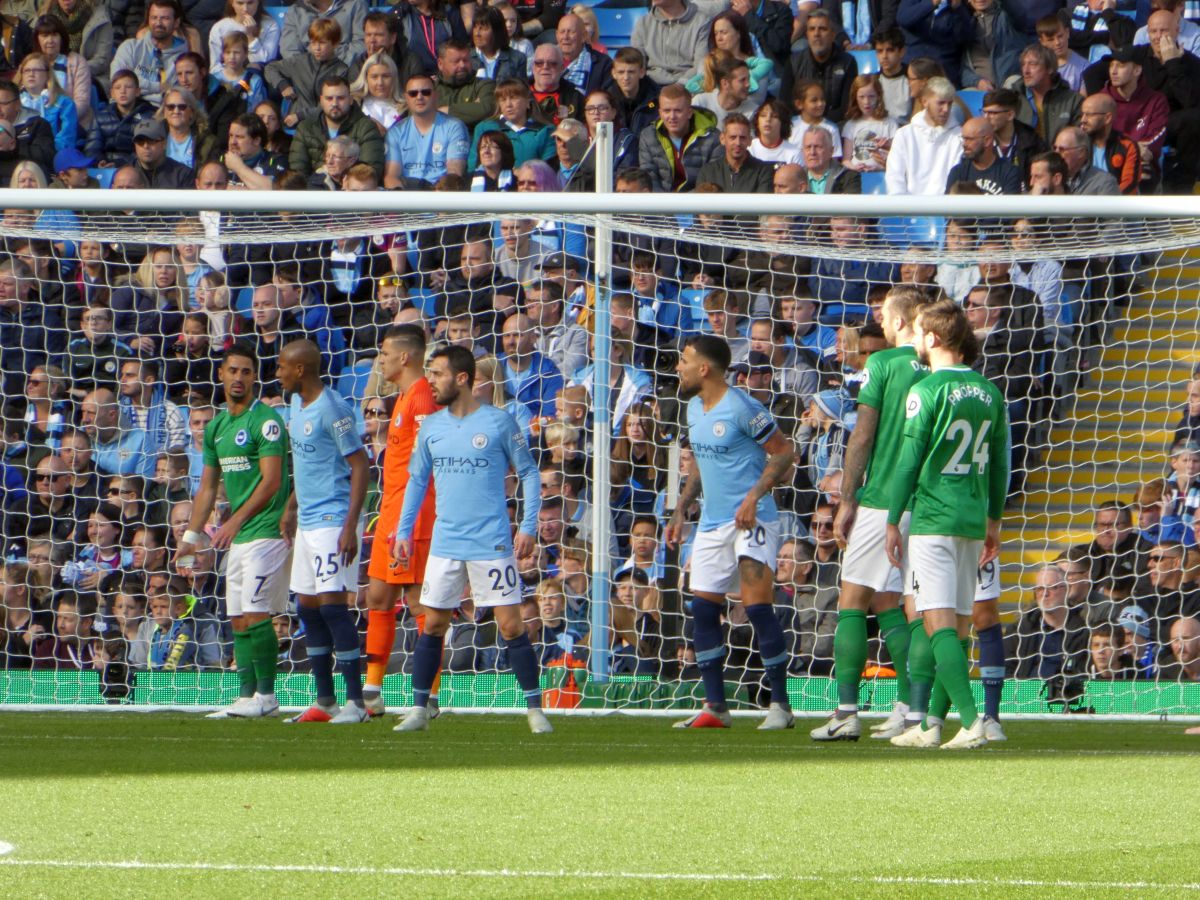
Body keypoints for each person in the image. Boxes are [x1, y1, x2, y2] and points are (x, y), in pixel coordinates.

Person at [391, 345, 551, 735]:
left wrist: (527, 526)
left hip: (491, 542)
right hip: (446, 543)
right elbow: (416, 481)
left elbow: (529, 473)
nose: (430, 380)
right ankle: (419, 708)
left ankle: (535, 710)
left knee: (511, 626)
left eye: (438, 373)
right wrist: (404, 531)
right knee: (432, 624)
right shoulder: (431, 426)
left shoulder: (498, 423)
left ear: (462, 378)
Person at [885, 298, 1008, 751]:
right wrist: (993, 521)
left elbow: (908, 462)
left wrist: (893, 520)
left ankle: (973, 721)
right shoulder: (990, 393)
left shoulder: (928, 390)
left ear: (934, 338)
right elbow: (1001, 466)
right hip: (974, 520)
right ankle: (932, 723)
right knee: (956, 629)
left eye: (918, 332)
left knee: (936, 626)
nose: (915, 340)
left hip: (934, 519)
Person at [811, 287, 929, 742]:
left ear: (900, 322)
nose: (879, 324)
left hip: (883, 497)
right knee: (892, 603)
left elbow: (862, 436)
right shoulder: (942, 370)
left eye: (883, 317)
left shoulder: (883, 364)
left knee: (852, 602)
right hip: (929, 503)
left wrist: (847, 498)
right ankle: (908, 707)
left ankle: (845, 711)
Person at [664, 334, 797, 730]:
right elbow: (702, 462)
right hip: (713, 521)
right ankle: (716, 706)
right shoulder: (692, 409)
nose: (678, 367)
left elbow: (785, 450)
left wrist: (754, 495)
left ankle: (780, 706)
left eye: (683, 360)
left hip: (752, 519)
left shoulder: (742, 407)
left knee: (756, 606)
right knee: (703, 608)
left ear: (703, 368)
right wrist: (681, 508)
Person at [174, 342, 290, 719]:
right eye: (233, 370)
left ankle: (268, 697)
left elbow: (272, 481)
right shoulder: (218, 428)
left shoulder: (267, 421)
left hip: (267, 531)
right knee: (237, 616)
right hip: (239, 536)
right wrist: (190, 538)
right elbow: (207, 487)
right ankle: (245, 696)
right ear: (221, 374)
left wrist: (235, 519)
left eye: (246, 371)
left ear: (255, 377)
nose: (238, 377)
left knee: (256, 613)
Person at [274, 340, 370, 724]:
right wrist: (291, 505)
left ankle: (357, 704)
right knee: (307, 608)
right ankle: (325, 701)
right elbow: (307, 462)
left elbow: (360, 466)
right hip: (309, 521)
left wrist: (350, 525)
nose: (278, 372)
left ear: (300, 370)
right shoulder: (296, 405)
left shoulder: (334, 410)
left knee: (333, 606)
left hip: (334, 519)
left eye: (282, 366)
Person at [361, 324, 442, 717]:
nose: (381, 358)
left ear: (405, 356)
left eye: (385, 352)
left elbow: (427, 464)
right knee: (377, 597)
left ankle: (429, 696)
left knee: (416, 600)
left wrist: (408, 523)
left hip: (412, 515)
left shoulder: (423, 397)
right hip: (389, 512)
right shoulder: (402, 398)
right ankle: (372, 692)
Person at [384, 71, 469, 187]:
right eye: (413, 93)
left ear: (435, 95)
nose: (419, 97)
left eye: (426, 92)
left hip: (441, 194)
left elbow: (454, 174)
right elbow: (391, 176)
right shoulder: (395, 132)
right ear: (406, 98)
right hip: (407, 195)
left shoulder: (454, 127)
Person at [884, 76, 962, 195]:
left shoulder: (959, 136)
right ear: (925, 101)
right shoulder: (904, 134)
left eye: (949, 104)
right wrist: (902, 208)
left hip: (945, 208)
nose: (946, 109)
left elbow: (955, 179)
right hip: (908, 209)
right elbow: (894, 176)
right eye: (941, 103)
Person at [109, 0, 189, 107]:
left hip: (161, 112)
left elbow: (178, 94)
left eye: (165, 18)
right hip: (125, 109)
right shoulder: (130, 47)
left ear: (176, 22)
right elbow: (118, 81)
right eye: (154, 18)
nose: (158, 23)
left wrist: (135, 85)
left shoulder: (183, 59)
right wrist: (158, 87)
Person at [631, 0, 710, 87]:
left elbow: (701, 65)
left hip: (686, 86)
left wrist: (680, 85)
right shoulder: (643, 22)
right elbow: (636, 62)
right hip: (651, 87)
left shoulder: (701, 22)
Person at [695, 112, 773, 193]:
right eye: (733, 137)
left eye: (742, 138)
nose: (738, 143)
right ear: (722, 139)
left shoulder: (763, 171)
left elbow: (761, 204)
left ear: (750, 140)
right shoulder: (707, 172)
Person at [945, 116, 1022, 194]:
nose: (964, 144)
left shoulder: (1009, 172)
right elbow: (949, 204)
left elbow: (1010, 205)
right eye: (964, 139)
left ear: (987, 141)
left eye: (970, 139)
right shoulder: (958, 172)